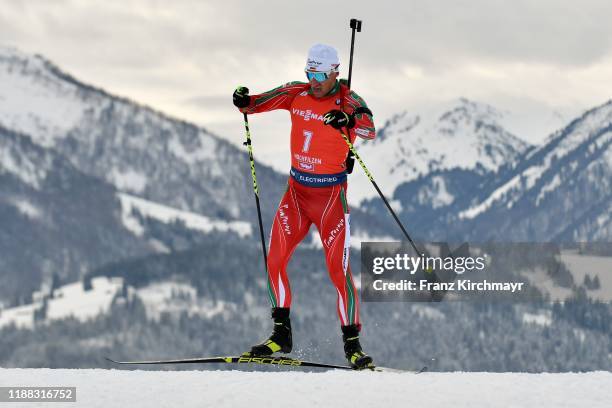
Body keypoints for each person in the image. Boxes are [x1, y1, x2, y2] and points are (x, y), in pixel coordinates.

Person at [232, 43, 376, 369]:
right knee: (274, 259)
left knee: (338, 272)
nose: (314, 81)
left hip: (330, 200)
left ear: (335, 72)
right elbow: (255, 104)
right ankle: (280, 333)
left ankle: (352, 344)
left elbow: (369, 128)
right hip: (296, 194)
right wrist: (243, 99)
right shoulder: (296, 93)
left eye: (320, 75)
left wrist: (348, 118)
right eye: (309, 73)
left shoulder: (349, 100)